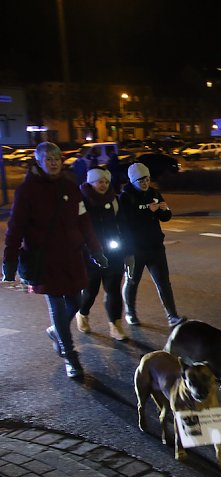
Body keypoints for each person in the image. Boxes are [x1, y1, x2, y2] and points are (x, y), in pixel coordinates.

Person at [2, 142, 107, 379]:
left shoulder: (70, 187)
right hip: (45, 258)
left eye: (57, 158)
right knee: (57, 304)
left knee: (77, 300)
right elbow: (15, 228)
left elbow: (84, 221)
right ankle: (70, 355)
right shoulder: (27, 190)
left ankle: (55, 331)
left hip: (72, 255)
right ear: (39, 161)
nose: (54, 163)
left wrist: (96, 250)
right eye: (48, 159)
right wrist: (9, 261)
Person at [118, 162, 185, 328]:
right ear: (133, 180)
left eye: (147, 179)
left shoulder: (154, 193)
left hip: (155, 247)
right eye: (141, 181)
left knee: (163, 282)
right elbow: (125, 221)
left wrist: (164, 210)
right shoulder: (126, 197)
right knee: (132, 281)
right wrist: (148, 211)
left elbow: (166, 217)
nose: (145, 183)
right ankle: (130, 313)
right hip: (134, 249)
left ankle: (172, 316)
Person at [75, 168, 132, 341]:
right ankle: (82, 314)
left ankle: (115, 325)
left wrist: (128, 252)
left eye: (106, 182)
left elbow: (124, 227)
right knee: (90, 290)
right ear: (91, 182)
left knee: (113, 289)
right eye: (100, 181)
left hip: (113, 254)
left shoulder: (114, 201)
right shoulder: (81, 201)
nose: (104, 185)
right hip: (90, 255)